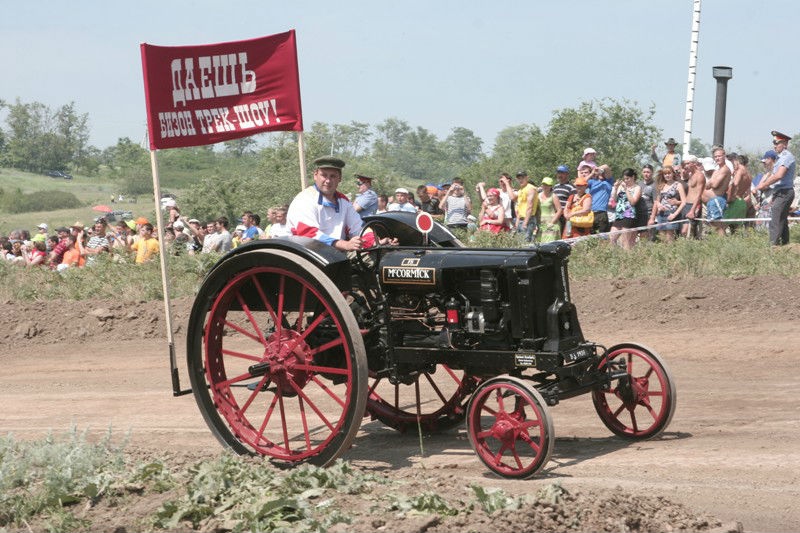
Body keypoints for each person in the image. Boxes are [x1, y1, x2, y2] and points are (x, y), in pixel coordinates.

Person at [288, 156, 394, 251]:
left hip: (335, 253)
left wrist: (375, 242)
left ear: (340, 178)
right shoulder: (305, 199)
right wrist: (345, 245)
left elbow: (358, 228)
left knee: (381, 254)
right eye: (324, 175)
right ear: (315, 175)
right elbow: (308, 234)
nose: (328, 181)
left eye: (333, 176)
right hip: (309, 252)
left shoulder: (343, 201)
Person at [756, 131, 796, 245]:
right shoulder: (780, 158)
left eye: (777, 142)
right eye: (774, 143)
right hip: (781, 192)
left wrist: (764, 184)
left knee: (776, 217)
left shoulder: (786, 157)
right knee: (781, 218)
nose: (774, 145)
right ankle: (784, 244)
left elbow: (779, 175)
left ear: (785, 144)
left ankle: (773, 245)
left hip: (785, 192)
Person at [649, 166, 686, 243]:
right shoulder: (661, 185)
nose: (667, 175)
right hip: (661, 214)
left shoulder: (678, 185)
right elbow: (657, 201)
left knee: (670, 238)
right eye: (665, 174)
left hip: (671, 213)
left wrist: (674, 215)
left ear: (673, 174)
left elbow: (683, 202)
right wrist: (659, 205)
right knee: (662, 238)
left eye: (669, 173)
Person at [701, 147, 732, 237]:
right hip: (711, 202)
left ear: (724, 156)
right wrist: (711, 183)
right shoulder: (717, 170)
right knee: (713, 225)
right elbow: (708, 185)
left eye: (719, 156)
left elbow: (714, 184)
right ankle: (720, 243)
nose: (717, 158)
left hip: (717, 200)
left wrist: (711, 183)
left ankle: (722, 244)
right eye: (715, 157)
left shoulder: (725, 169)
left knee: (718, 226)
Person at [609, 168, 642, 250]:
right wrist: (615, 188)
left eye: (628, 178)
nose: (626, 181)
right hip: (619, 215)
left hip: (629, 215)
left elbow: (633, 202)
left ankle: (627, 258)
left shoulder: (637, 188)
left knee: (625, 241)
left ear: (633, 177)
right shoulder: (620, 187)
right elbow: (613, 201)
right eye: (624, 179)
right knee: (612, 238)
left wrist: (626, 189)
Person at [680, 156, 706, 239]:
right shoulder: (691, 175)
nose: (686, 165)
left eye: (688, 163)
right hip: (686, 205)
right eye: (685, 163)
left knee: (688, 231)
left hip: (693, 205)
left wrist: (692, 210)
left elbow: (699, 194)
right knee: (683, 231)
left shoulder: (700, 176)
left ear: (694, 164)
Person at [725, 154, 752, 233]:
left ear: (737, 162)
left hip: (734, 201)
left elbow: (734, 184)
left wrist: (729, 198)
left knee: (721, 226)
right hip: (741, 202)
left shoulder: (740, 171)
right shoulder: (749, 174)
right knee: (736, 230)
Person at [510, 170, 538, 242]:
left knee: (527, 244)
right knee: (520, 244)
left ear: (527, 178)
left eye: (522, 177)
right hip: (520, 219)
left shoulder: (530, 188)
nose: (520, 180)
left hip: (528, 219)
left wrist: (525, 222)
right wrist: (507, 184)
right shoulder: (521, 190)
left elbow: (530, 206)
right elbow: (512, 198)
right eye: (519, 178)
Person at [586, 163, 614, 234]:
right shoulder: (592, 182)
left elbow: (606, 166)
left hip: (602, 213)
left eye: (603, 172)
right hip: (591, 213)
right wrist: (592, 173)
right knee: (591, 237)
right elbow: (580, 183)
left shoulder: (609, 181)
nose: (601, 174)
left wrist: (599, 169)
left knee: (603, 238)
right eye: (600, 173)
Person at [537, 177, 562, 243]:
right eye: (544, 184)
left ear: (551, 186)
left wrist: (552, 222)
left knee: (550, 244)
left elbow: (559, 210)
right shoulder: (538, 196)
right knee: (541, 244)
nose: (545, 186)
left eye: (547, 185)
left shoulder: (553, 196)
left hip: (552, 223)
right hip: (541, 224)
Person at [635, 164, 656, 242]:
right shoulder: (638, 184)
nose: (646, 174)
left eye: (648, 172)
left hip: (649, 213)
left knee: (649, 238)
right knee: (640, 236)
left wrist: (652, 218)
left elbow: (656, 203)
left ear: (652, 173)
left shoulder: (655, 185)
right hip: (639, 214)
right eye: (644, 172)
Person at [552, 165, 574, 236]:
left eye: (562, 173)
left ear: (567, 174)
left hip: (565, 217)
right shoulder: (555, 187)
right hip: (555, 215)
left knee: (565, 235)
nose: (559, 175)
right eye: (558, 173)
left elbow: (573, 202)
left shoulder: (571, 187)